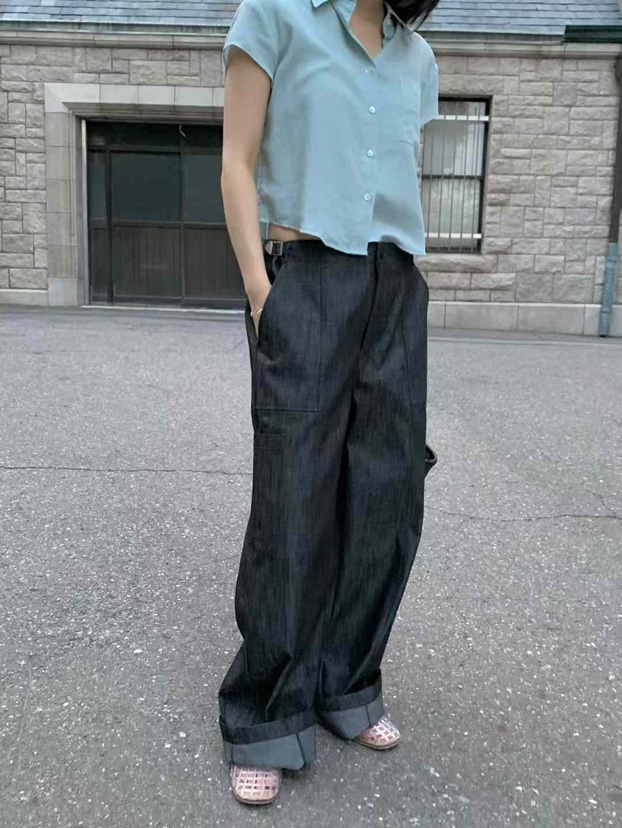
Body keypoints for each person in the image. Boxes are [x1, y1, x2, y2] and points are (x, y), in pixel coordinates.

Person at [218, 0, 440, 806]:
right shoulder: (276, 16)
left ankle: (348, 683)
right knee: (295, 494)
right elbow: (236, 160)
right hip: (306, 274)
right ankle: (266, 714)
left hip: (394, 285)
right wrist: (260, 293)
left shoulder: (416, 57)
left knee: (387, 490)